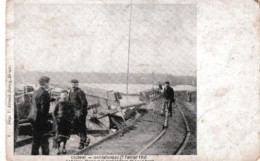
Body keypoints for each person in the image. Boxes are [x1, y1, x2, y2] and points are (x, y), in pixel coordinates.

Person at [27, 76, 51, 155]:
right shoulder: (45, 93)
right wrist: (48, 119)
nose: (49, 84)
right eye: (49, 83)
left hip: (33, 119)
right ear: (46, 83)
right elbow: (44, 110)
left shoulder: (35, 92)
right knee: (44, 141)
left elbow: (36, 104)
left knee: (35, 141)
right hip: (41, 121)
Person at [68, 79, 90, 149]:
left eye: (75, 84)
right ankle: (86, 138)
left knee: (81, 127)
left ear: (77, 84)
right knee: (74, 126)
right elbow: (69, 102)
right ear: (70, 84)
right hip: (73, 112)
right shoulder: (70, 92)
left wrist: (81, 112)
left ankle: (82, 143)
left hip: (80, 112)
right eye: (72, 84)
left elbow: (84, 103)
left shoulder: (80, 92)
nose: (74, 85)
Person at [53, 90, 74, 155]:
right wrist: (56, 119)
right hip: (60, 122)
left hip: (67, 121)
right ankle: (58, 148)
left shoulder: (70, 103)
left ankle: (64, 147)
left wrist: (71, 119)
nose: (64, 96)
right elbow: (54, 112)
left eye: (66, 95)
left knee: (65, 135)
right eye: (63, 95)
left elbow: (72, 112)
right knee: (59, 135)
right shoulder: (58, 103)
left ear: (67, 96)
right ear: (61, 95)